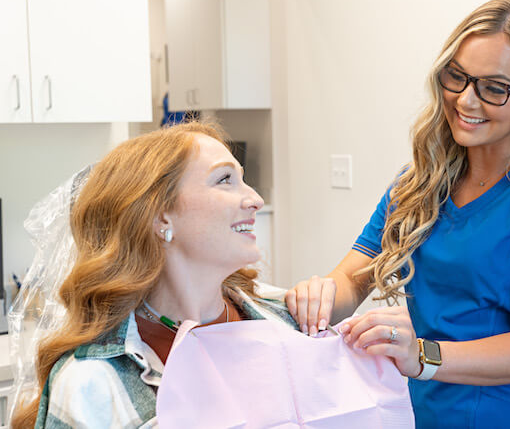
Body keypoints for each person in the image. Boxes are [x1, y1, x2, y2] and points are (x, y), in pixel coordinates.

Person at [286, 0, 510, 428]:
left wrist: (421, 355)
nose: (466, 101)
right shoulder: (420, 181)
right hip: (429, 411)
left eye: (493, 88)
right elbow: (350, 280)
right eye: (457, 77)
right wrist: (317, 297)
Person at [11, 120, 298, 428]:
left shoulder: (292, 316)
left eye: (243, 179)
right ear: (160, 216)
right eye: (225, 179)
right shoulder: (90, 384)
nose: (256, 199)